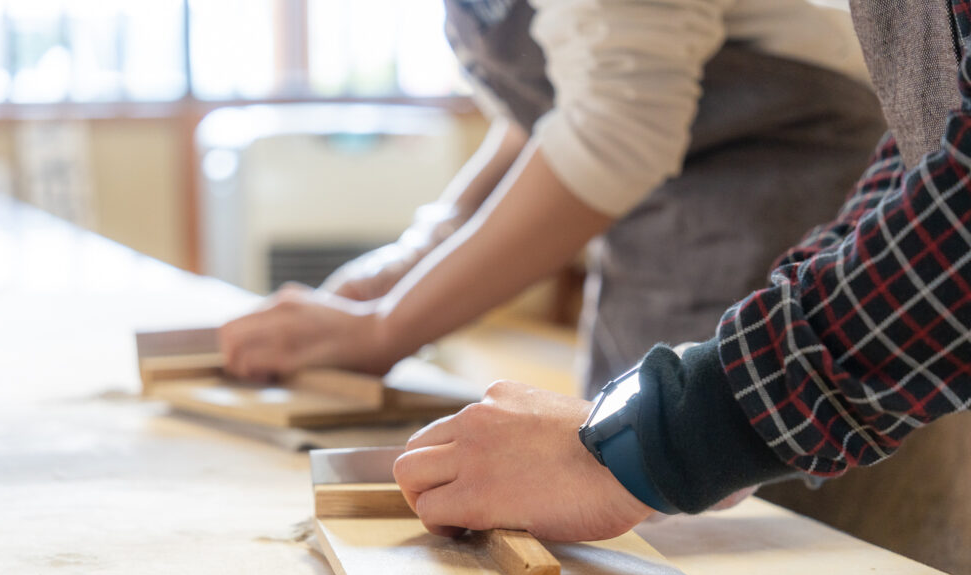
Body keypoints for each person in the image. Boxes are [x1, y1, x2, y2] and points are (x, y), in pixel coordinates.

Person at [391, 0, 971, 542]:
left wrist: (676, 432)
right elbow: (915, 158)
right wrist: (672, 416)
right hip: (740, 289)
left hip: (800, 252)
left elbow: (957, 230)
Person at [218, 0, 883, 397]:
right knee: (622, 471)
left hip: (789, 194)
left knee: (753, 502)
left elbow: (617, 124)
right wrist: (422, 248)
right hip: (652, 211)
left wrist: (387, 328)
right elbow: (558, 104)